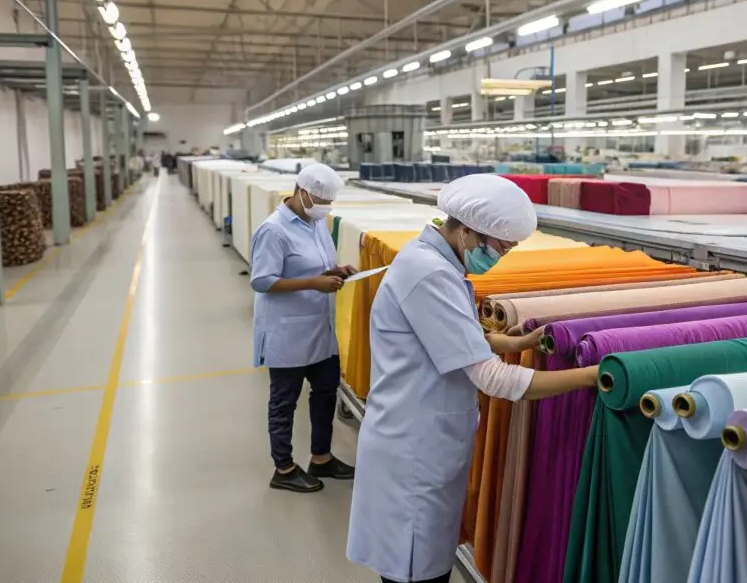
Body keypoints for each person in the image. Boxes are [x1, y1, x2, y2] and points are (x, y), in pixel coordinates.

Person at [347, 174, 600, 583]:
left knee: (424, 566)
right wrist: (589, 376)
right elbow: (493, 380)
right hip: (415, 450)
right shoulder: (430, 275)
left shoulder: (437, 262)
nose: (503, 256)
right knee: (416, 573)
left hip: (428, 440)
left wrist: (511, 340)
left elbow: (449, 340)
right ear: (467, 231)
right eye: (502, 247)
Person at [249, 163, 357, 493]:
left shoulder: (317, 222)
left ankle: (321, 458)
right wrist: (313, 282)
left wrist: (335, 270)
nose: (326, 207)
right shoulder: (274, 230)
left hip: (319, 329)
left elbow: (318, 263)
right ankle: (283, 468)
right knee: (284, 402)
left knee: (325, 393)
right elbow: (261, 281)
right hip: (288, 332)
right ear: (302, 192)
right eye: (321, 199)